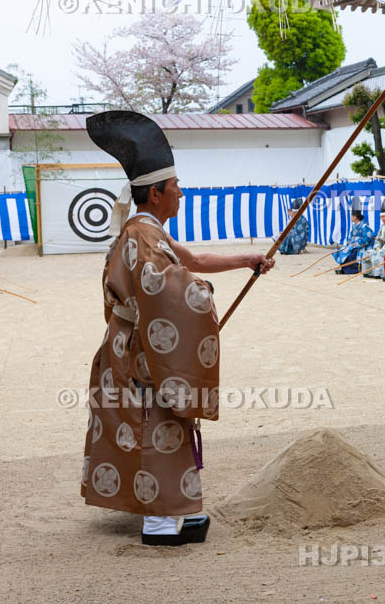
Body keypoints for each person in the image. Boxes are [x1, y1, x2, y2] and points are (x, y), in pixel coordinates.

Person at [81, 111, 274, 547]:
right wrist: (202, 295)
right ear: (156, 193)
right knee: (156, 425)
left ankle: (171, 514)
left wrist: (247, 260)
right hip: (141, 352)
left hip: (129, 342)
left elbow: (192, 262)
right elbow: (169, 288)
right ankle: (161, 523)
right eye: (176, 187)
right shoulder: (145, 238)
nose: (181, 194)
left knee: (148, 424)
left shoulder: (144, 230)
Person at [332, 209, 374, 275]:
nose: (351, 217)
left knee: (351, 254)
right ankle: (343, 268)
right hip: (353, 244)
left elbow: (367, 238)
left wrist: (357, 244)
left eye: (352, 216)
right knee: (342, 250)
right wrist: (349, 242)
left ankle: (349, 270)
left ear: (355, 217)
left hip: (362, 245)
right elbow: (351, 236)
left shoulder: (364, 226)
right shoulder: (353, 225)